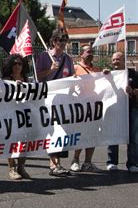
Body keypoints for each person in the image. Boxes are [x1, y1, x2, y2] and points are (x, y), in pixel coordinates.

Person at [36, 30, 74, 177]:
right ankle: (53, 163)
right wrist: (50, 70)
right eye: (59, 41)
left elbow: (69, 77)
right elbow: (38, 77)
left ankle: (57, 163)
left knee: (61, 131)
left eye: (64, 41)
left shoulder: (68, 59)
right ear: (53, 42)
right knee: (52, 130)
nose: (62, 44)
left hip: (63, 100)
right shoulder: (44, 56)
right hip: (48, 99)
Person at [70, 45, 102, 173]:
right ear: (81, 55)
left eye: (92, 52)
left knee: (92, 134)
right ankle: (75, 160)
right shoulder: (76, 68)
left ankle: (88, 162)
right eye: (88, 52)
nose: (90, 54)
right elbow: (69, 85)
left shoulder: (95, 69)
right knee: (81, 133)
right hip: (81, 106)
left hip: (94, 106)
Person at [106, 52, 138, 173]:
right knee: (113, 136)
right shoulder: (108, 75)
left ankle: (133, 164)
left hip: (132, 109)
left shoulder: (133, 74)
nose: (115, 62)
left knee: (134, 138)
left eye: (118, 59)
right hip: (115, 109)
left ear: (124, 60)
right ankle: (112, 162)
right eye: (113, 60)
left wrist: (133, 91)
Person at [1, 54, 31, 180]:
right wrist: (12, 84)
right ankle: (12, 168)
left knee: (25, 142)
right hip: (10, 114)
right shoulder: (6, 78)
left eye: (20, 64)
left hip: (24, 114)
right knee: (12, 141)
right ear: (10, 65)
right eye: (15, 64)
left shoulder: (26, 78)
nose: (17, 66)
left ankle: (21, 167)